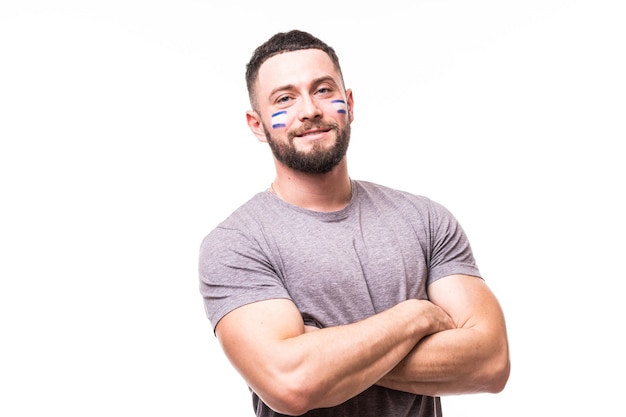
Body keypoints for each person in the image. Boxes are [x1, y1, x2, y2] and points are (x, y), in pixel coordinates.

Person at [198, 29, 510, 417]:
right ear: (257, 124)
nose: (310, 109)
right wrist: (415, 316)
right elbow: (293, 384)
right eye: (285, 98)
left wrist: (328, 355)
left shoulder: (425, 220)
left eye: (324, 90)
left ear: (349, 102)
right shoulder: (237, 243)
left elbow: (491, 362)